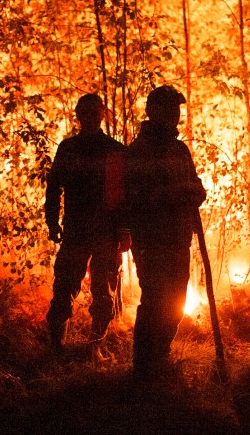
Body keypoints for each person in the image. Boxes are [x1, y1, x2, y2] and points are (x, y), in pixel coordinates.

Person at [126, 85, 206, 381]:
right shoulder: (138, 152)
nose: (175, 115)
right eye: (169, 109)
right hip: (151, 239)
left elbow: (194, 183)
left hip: (178, 237)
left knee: (175, 301)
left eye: (177, 109)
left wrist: (196, 191)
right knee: (155, 301)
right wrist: (175, 192)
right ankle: (143, 368)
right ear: (152, 111)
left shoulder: (179, 149)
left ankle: (160, 356)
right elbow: (135, 199)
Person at [44, 94, 130, 353]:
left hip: (103, 231)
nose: (89, 118)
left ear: (101, 114)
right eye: (85, 113)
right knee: (65, 285)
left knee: (102, 291)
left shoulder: (114, 150)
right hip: (78, 229)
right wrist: (51, 220)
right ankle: (57, 347)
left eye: (94, 113)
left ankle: (95, 347)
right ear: (79, 115)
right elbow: (54, 186)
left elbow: (123, 194)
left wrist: (124, 230)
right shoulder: (70, 148)